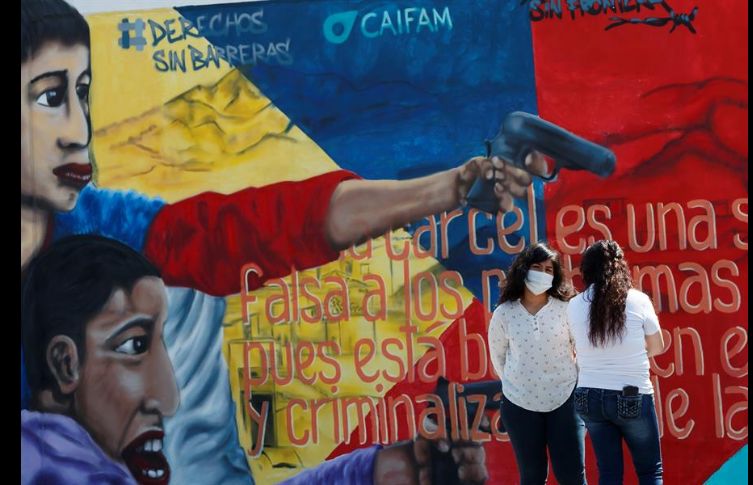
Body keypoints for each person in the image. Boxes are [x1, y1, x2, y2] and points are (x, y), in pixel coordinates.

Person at [20, 1, 542, 481]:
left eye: (82, 93)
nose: (76, 130)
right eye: (49, 97)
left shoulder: (103, 228)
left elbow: (256, 228)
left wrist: (448, 188)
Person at [21, 235, 488, 485]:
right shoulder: (44, 459)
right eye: (133, 347)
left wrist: (387, 471)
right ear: (66, 364)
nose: (168, 396)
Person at [567, 240, 665, 485]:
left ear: (586, 271)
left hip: (588, 395)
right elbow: (658, 346)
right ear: (621, 266)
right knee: (650, 471)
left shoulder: (573, 306)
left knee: (609, 474)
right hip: (631, 393)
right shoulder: (638, 300)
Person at [487, 242, 586, 485]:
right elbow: (498, 356)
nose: (543, 273)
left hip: (565, 400)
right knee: (532, 477)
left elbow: (582, 350)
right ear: (523, 269)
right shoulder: (504, 313)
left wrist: (576, 386)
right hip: (520, 405)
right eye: (537, 267)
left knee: (572, 477)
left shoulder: (567, 309)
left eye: (549, 269)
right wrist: (518, 385)